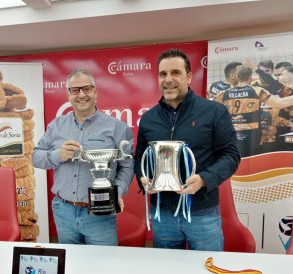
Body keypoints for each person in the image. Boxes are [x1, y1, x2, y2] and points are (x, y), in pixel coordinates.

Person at [134, 48, 241, 251]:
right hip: (162, 213)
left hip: (202, 213)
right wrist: (143, 177)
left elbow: (231, 156)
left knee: (206, 268)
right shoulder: (149, 119)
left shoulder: (214, 112)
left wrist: (203, 179)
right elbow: (139, 157)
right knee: (167, 270)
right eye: (163, 74)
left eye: (175, 73)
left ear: (189, 76)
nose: (168, 79)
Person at [32, 69, 134, 246]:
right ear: (68, 94)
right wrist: (58, 155)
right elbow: (36, 157)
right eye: (75, 90)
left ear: (95, 92)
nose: (81, 95)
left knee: (103, 267)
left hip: (100, 211)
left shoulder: (117, 127)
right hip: (63, 210)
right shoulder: (56, 126)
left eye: (86, 89)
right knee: (72, 265)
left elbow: (127, 164)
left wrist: (117, 191)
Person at [216, 65, 293, 157]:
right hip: (255, 137)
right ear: (250, 77)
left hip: (235, 136)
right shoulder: (257, 90)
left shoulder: (223, 93)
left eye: (280, 74)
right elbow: (279, 102)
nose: (277, 77)